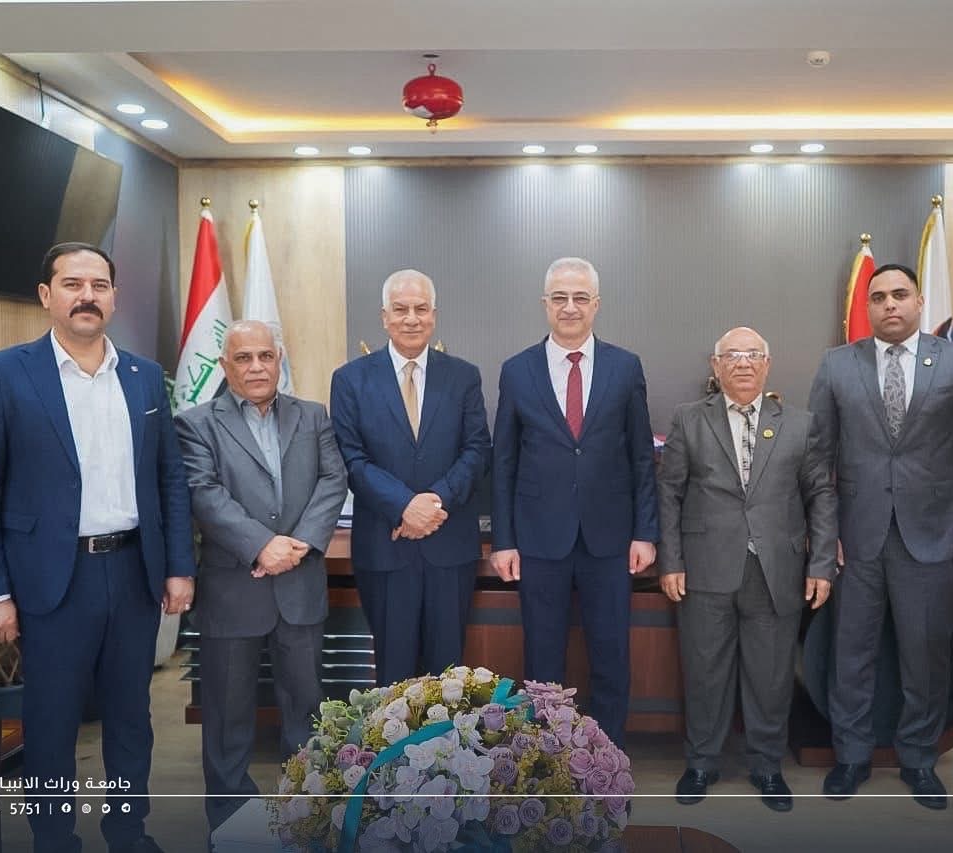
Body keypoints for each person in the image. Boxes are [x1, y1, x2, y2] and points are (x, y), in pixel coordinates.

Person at [0, 242, 196, 853]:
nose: (87, 296)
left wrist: (178, 566)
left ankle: (128, 832)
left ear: (114, 297)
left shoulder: (144, 376)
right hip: (51, 579)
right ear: (46, 295)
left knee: (131, 717)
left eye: (99, 285)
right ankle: (54, 837)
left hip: (134, 571)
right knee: (51, 720)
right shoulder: (4, 373)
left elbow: (169, 478)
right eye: (72, 284)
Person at [808, 263, 953, 810]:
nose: (889, 304)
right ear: (868, 308)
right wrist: (824, 533)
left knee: (926, 654)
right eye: (879, 297)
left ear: (918, 302)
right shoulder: (837, 365)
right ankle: (851, 757)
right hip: (855, 538)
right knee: (851, 653)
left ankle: (919, 759)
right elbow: (817, 458)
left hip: (933, 536)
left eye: (899, 294)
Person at [173, 320, 348, 833]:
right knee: (227, 717)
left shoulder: (312, 415)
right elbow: (204, 493)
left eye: (265, 356)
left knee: (307, 710)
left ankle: (308, 815)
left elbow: (333, 479)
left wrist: (301, 544)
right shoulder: (196, 424)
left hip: (299, 584)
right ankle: (233, 824)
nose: (256, 367)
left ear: (279, 359)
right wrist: (262, 545)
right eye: (244, 358)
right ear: (224, 365)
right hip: (234, 590)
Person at [657, 327, 837, 811]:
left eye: (753, 354)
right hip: (704, 570)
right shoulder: (689, 419)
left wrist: (822, 563)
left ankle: (767, 767)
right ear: (715, 366)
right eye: (732, 355)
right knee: (704, 673)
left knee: (771, 677)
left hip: (776, 571)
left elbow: (821, 495)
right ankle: (701, 763)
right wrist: (671, 561)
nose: (743, 363)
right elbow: (668, 493)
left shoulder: (800, 424)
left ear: (767, 364)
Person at [491, 257, 659, 747]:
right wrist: (504, 540)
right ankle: (547, 759)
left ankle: (608, 760)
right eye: (560, 297)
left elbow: (641, 456)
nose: (570, 307)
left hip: (610, 539)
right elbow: (503, 461)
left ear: (596, 304)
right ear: (545, 303)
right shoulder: (517, 370)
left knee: (611, 655)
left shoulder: (625, 367)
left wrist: (645, 532)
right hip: (539, 539)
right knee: (543, 659)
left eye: (580, 297)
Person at [331, 269, 491, 684]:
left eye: (421, 309)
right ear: (384, 316)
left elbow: (477, 449)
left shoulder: (463, 376)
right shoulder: (350, 379)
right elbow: (351, 458)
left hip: (449, 544)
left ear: (434, 314)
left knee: (449, 679)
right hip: (386, 546)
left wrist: (434, 502)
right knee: (393, 674)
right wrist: (404, 505)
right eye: (401, 309)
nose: (411, 318)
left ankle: (447, 734)